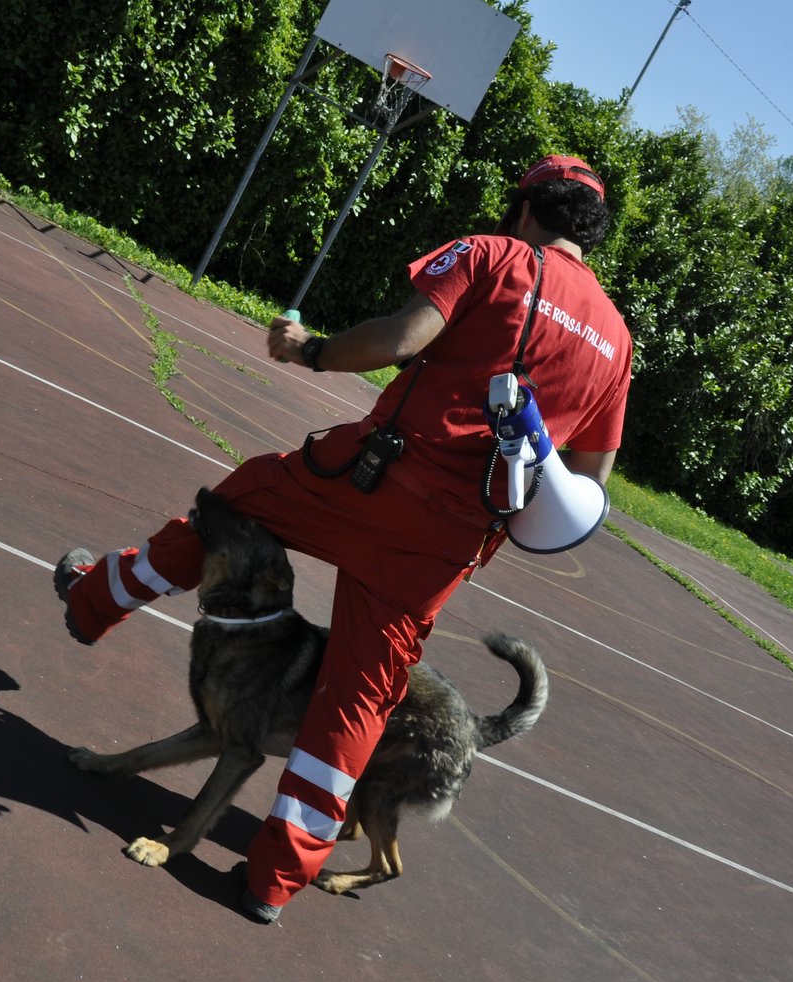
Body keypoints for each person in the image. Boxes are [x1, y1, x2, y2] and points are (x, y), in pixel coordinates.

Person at [54, 155, 632, 923]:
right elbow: (588, 486)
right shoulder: (617, 342)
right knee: (360, 694)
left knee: (229, 506)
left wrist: (309, 348)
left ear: (527, 207)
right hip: (447, 546)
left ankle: (95, 600)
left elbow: (401, 338)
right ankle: (273, 880)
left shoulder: (493, 257)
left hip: (369, 481)